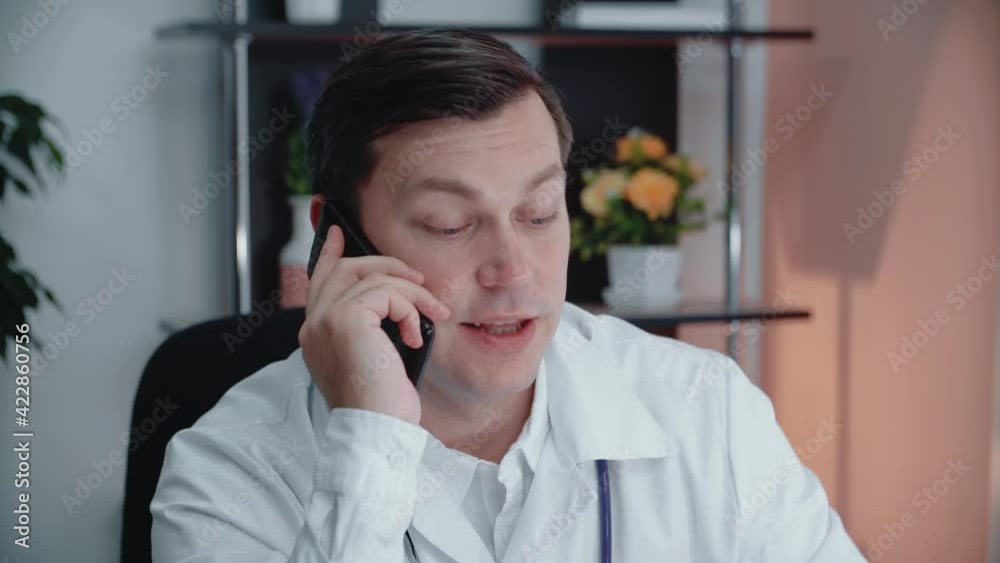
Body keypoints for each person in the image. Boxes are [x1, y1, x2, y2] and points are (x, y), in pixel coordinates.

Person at [150, 28, 864, 563]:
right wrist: (369, 440)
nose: (513, 270)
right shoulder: (227, 472)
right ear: (337, 239)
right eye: (449, 224)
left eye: (539, 212)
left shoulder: (708, 410)